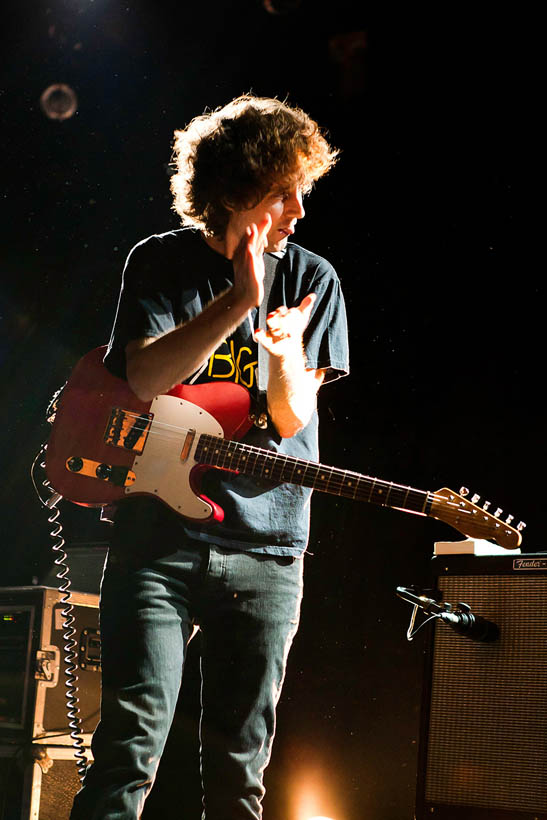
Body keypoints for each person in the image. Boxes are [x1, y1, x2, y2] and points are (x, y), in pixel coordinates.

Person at [70, 94, 349, 820]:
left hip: (267, 547)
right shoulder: (159, 262)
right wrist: (237, 301)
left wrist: (284, 349)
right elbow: (145, 378)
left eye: (303, 191)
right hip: (157, 540)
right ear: (234, 190)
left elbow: (289, 417)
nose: (298, 209)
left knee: (238, 766)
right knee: (128, 749)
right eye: (284, 190)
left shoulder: (313, 280)